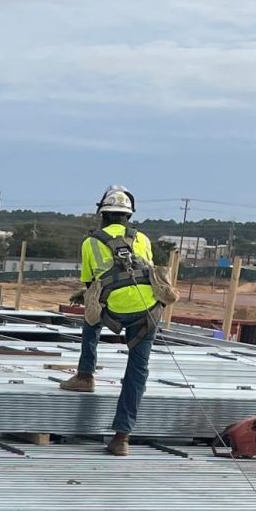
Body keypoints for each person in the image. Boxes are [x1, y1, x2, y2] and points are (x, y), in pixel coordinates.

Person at [59, 184, 159, 456]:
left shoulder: (91, 242)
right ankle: (121, 438)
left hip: (114, 310)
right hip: (147, 312)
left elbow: (91, 285)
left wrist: (87, 295)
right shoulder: (143, 239)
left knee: (91, 315)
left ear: (102, 215)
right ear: (128, 217)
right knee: (137, 371)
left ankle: (85, 374)